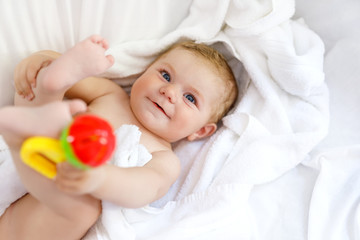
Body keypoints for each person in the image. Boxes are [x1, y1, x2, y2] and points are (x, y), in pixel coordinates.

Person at [0, 35, 238, 239]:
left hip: (36, 218)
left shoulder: (163, 158)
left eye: (190, 98)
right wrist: (40, 62)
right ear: (144, 71)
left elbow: (146, 186)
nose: (170, 92)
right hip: (34, 159)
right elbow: (64, 71)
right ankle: (49, 85)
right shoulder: (110, 95)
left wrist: (100, 179)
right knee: (44, 105)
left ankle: (40, 103)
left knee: (84, 206)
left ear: (200, 131)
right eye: (165, 75)